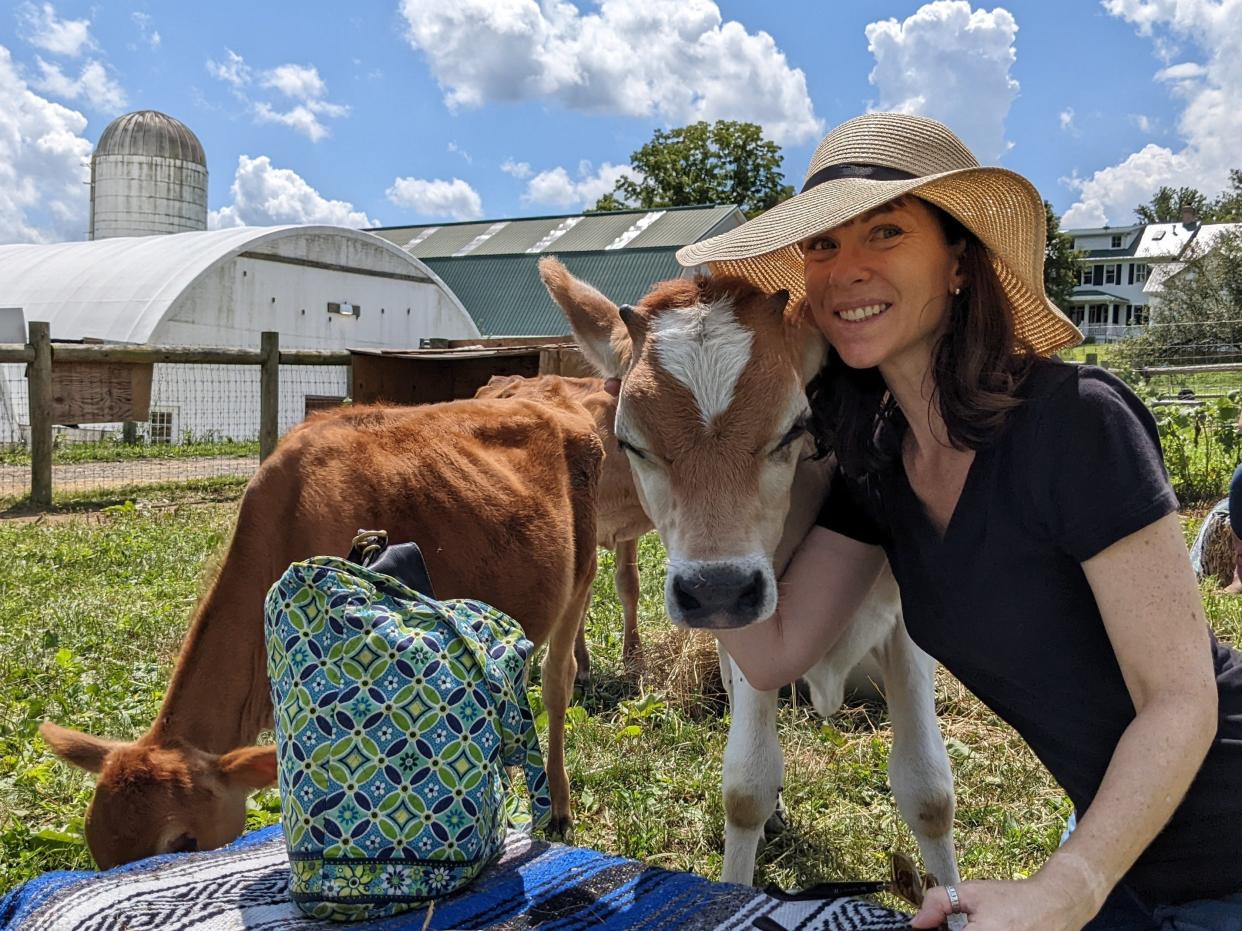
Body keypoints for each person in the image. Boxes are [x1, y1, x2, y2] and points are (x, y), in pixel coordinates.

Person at [675, 113, 1242, 930]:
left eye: (886, 232)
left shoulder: (1077, 424)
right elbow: (772, 655)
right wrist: (694, 480)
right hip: (1124, 845)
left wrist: (1068, 885)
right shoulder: (878, 465)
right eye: (824, 246)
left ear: (960, 263)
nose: (845, 270)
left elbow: (1181, 698)